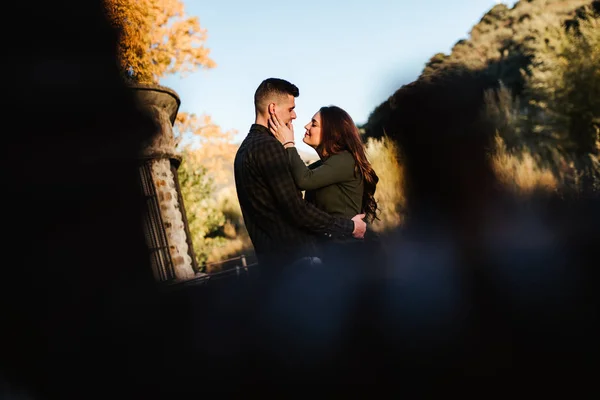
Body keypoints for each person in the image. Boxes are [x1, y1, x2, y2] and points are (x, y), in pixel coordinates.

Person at [233, 78, 367, 274]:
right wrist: (349, 227)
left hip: (273, 263)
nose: (295, 116)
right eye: (290, 109)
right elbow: (297, 210)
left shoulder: (244, 150)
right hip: (297, 259)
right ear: (272, 109)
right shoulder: (269, 147)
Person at [268, 105, 381, 263]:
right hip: (331, 253)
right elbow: (296, 178)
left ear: (331, 133)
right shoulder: (319, 167)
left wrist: (288, 143)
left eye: (314, 124)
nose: (306, 126)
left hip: (349, 255)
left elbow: (304, 180)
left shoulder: (346, 159)